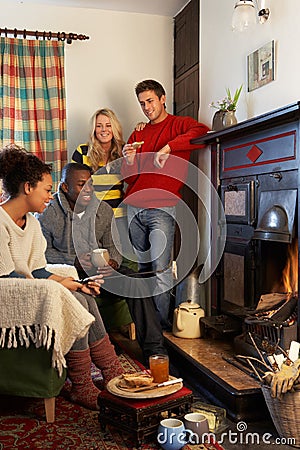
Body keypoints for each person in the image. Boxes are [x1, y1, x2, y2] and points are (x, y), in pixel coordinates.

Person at [0, 145, 124, 411]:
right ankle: (82, 383)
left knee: (80, 295)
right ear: (27, 187)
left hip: (28, 289)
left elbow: (38, 269)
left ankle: (108, 369)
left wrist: (77, 284)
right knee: (68, 298)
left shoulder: (31, 223)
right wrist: (55, 287)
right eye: (46, 189)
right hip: (6, 296)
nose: (50, 195)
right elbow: (7, 277)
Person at [37, 162, 168, 364]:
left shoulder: (104, 210)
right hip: (68, 275)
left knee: (136, 283)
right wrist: (73, 261)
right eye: (82, 185)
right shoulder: (47, 213)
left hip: (101, 272)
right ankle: (92, 354)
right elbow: (43, 253)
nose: (88, 190)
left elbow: (114, 245)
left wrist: (113, 262)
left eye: (90, 183)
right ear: (65, 187)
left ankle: (154, 351)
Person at [122, 79, 210, 330]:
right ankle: (145, 326)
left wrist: (169, 147)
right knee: (142, 270)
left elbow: (203, 132)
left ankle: (159, 329)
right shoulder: (138, 133)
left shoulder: (179, 125)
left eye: (150, 101)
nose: (146, 107)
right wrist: (128, 160)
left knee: (161, 271)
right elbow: (130, 179)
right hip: (134, 207)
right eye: (142, 103)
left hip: (162, 207)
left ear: (163, 99)